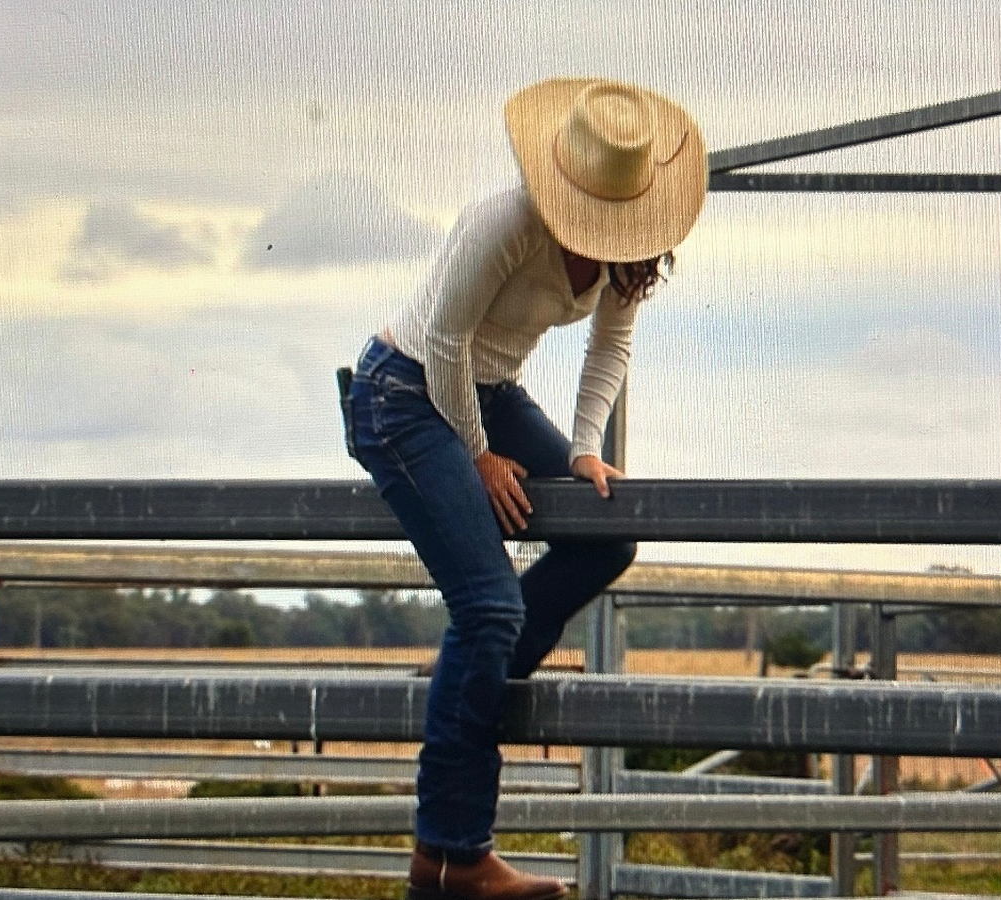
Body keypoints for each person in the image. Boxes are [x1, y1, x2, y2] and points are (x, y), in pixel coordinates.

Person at [342, 77, 706, 900]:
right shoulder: (506, 220)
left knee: (606, 539)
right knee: (489, 608)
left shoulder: (628, 249)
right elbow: (442, 340)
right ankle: (452, 855)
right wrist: (478, 456)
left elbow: (609, 350)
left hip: (490, 393)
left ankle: (474, 688)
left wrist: (583, 453)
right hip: (404, 392)